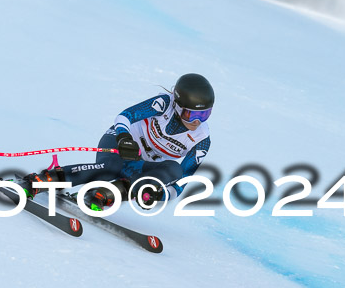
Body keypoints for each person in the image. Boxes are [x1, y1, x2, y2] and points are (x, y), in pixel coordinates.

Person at [19, 73, 214, 210]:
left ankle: (103, 194)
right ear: (177, 105)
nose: (197, 121)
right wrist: (124, 137)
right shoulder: (164, 104)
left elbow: (183, 181)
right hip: (120, 145)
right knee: (108, 168)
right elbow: (125, 116)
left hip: (140, 165)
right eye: (192, 114)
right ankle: (39, 182)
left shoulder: (201, 140)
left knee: (174, 169)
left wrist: (159, 195)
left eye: (205, 114)